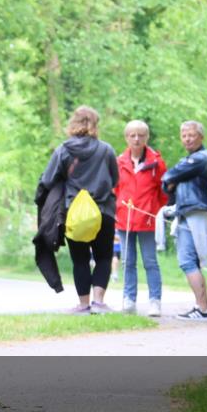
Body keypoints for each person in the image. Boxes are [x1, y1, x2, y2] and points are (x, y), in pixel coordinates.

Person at [39, 106, 119, 314]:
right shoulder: (106, 150)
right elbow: (115, 179)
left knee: (80, 259)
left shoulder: (64, 150)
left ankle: (84, 304)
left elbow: (48, 179)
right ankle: (99, 303)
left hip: (74, 213)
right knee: (103, 257)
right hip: (103, 211)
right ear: (95, 124)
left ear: (73, 122)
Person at [161, 120, 207, 322]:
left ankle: (203, 309)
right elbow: (167, 184)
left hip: (194, 212)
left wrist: (172, 179)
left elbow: (169, 175)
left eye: (191, 135)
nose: (187, 139)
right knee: (192, 261)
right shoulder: (191, 159)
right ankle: (203, 307)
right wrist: (170, 181)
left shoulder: (202, 157)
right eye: (184, 135)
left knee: (187, 261)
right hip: (188, 212)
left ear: (201, 136)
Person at [113, 119, 168, 317]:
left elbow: (164, 192)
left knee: (150, 261)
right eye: (132, 135)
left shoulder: (157, 163)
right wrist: (119, 208)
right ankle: (129, 300)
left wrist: (152, 210)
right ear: (126, 138)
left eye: (141, 135)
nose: (136, 139)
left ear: (147, 137)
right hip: (124, 221)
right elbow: (115, 189)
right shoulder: (119, 162)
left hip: (147, 221)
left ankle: (155, 301)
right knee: (128, 261)